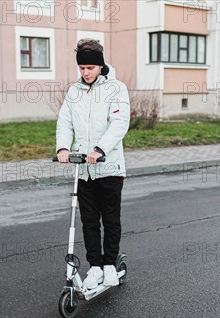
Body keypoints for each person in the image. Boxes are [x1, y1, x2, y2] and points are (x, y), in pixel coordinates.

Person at [55, 39, 130, 289]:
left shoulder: (116, 89)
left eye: (90, 67)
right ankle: (95, 267)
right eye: (82, 68)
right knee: (88, 221)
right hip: (84, 170)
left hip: (109, 167)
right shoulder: (74, 91)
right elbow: (65, 121)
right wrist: (64, 147)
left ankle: (109, 265)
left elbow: (119, 123)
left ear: (100, 66)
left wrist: (99, 150)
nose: (85, 72)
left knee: (110, 220)